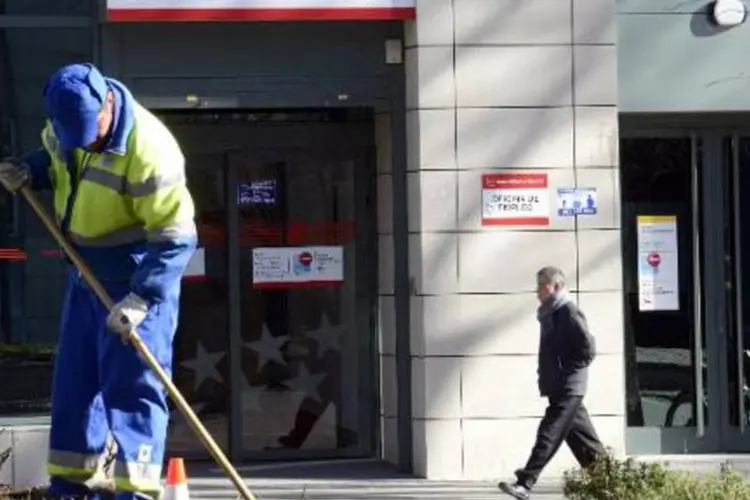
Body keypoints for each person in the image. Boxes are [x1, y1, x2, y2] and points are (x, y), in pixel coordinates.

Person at [0, 63, 197, 499]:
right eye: (73, 132)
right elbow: (59, 163)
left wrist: (141, 298)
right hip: (83, 273)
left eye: (89, 130)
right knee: (75, 384)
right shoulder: (64, 129)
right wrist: (30, 170)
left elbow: (177, 237)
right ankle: (70, 486)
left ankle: (136, 492)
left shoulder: (151, 150)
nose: (83, 139)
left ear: (107, 103)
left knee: (133, 391)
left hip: (137, 276)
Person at [498, 266, 606, 500]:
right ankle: (612, 485)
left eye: (541, 286)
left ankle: (525, 483)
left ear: (555, 287)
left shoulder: (568, 311)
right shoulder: (551, 313)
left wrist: (564, 373)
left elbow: (588, 349)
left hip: (569, 388)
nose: (537, 291)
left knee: (548, 434)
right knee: (585, 443)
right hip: (561, 388)